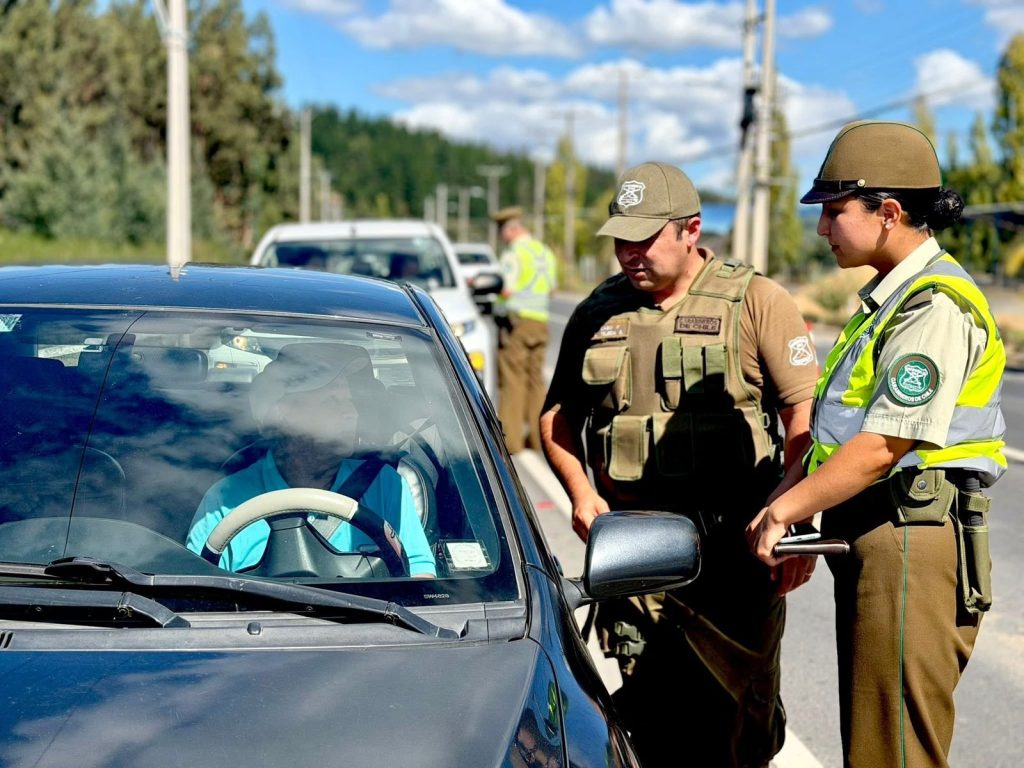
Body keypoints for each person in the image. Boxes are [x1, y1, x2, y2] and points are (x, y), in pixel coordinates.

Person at [539, 161, 818, 767]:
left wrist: (794, 521)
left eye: (643, 238)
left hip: (735, 553)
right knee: (653, 720)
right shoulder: (597, 313)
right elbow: (556, 420)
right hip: (639, 553)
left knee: (741, 723)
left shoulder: (756, 301)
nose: (627, 253)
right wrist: (583, 500)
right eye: (620, 239)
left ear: (691, 230)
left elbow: (805, 421)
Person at [746, 120, 1005, 767]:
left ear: (888, 212)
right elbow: (838, 438)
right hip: (882, 530)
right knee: (875, 743)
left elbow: (883, 445)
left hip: (910, 539)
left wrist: (784, 512)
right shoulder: (889, 303)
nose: (823, 229)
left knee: (892, 753)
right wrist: (799, 501)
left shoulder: (932, 306)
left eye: (835, 212)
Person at [187, 341, 437, 578]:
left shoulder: (386, 485)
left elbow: (419, 577)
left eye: (349, 401)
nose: (350, 413)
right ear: (282, 415)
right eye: (331, 401)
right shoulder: (226, 500)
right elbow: (197, 591)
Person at [491, 206, 557, 455]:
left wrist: (495, 300)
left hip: (517, 322)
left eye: (501, 231)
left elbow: (506, 290)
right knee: (535, 381)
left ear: (511, 229)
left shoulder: (513, 254)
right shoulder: (544, 251)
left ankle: (512, 442)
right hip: (540, 321)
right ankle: (541, 439)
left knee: (512, 380)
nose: (500, 237)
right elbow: (552, 290)